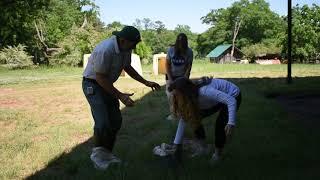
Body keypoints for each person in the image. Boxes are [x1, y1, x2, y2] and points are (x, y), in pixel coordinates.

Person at [82, 26, 160, 170]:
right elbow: (100, 77)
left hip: (106, 83)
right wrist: (120, 96)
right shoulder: (105, 50)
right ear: (123, 40)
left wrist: (146, 82)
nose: (135, 47)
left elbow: (128, 67)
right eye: (133, 43)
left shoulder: (125, 48)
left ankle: (107, 155)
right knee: (103, 122)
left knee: (116, 121)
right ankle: (97, 157)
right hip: (93, 84)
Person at [167, 76, 242, 162]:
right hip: (215, 100)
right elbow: (184, 119)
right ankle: (203, 148)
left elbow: (231, 100)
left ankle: (217, 155)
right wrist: (177, 144)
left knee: (220, 125)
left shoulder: (204, 91)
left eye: (177, 95)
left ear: (185, 93)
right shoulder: (191, 98)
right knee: (193, 118)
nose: (175, 99)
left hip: (232, 95)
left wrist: (231, 123)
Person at [165, 33, 193, 121]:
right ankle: (173, 114)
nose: (181, 45)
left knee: (182, 95)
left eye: (183, 43)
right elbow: (167, 64)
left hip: (182, 76)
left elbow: (189, 66)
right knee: (171, 95)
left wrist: (185, 78)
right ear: (177, 42)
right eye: (179, 42)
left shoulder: (189, 52)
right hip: (171, 75)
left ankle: (183, 113)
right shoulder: (171, 50)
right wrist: (170, 79)